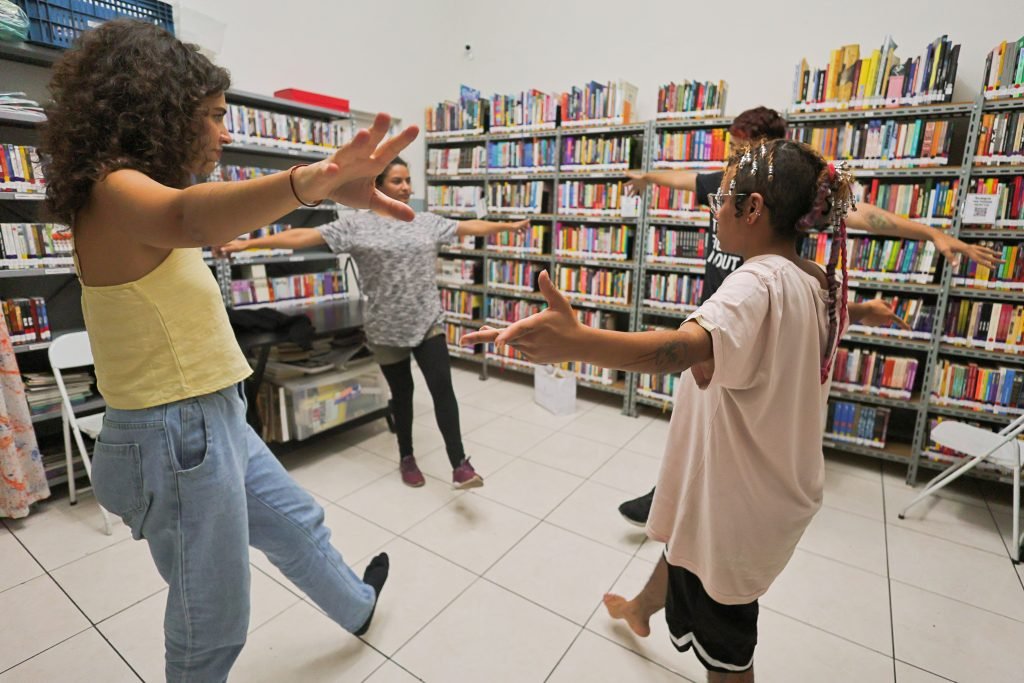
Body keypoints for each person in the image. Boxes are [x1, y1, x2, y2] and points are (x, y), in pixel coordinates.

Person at [40, 20, 418, 681]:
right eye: (212, 116)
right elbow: (190, 216)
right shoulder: (112, 188)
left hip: (210, 417)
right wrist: (312, 182)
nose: (225, 133)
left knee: (297, 521)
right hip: (175, 431)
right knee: (213, 616)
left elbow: (188, 218)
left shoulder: (133, 191)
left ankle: (356, 606)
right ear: (159, 111)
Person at [463, 138, 863, 681]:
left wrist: (577, 342)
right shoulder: (814, 278)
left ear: (753, 209)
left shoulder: (754, 283)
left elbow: (681, 349)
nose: (713, 210)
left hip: (737, 506)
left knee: (727, 653)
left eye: (721, 198)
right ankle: (639, 609)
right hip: (764, 485)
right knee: (680, 543)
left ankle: (649, 613)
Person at [617, 106, 1001, 526]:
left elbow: (867, 215)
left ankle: (682, 516)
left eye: (740, 148)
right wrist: (646, 178)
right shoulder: (727, 184)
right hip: (716, 326)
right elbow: (682, 178)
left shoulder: (786, 211)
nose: (731, 160)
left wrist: (932, 234)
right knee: (693, 432)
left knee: (717, 443)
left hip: (747, 338)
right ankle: (669, 517)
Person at [219, 157, 526, 489]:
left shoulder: (424, 221)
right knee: (402, 395)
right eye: (397, 181)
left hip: (428, 322)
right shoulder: (355, 227)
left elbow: (468, 227)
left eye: (408, 180)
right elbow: (304, 237)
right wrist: (249, 244)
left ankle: (459, 465)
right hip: (384, 328)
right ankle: (407, 456)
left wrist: (505, 228)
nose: (407, 187)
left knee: (443, 392)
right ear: (376, 186)